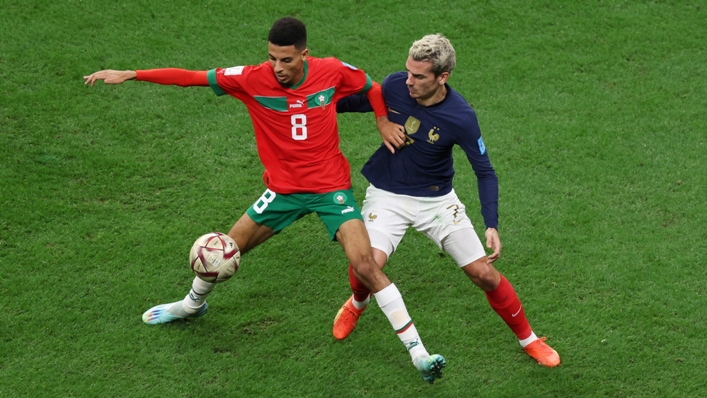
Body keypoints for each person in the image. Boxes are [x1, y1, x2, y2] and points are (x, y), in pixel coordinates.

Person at [84, 17, 447, 383]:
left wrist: (382, 121)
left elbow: (370, 86)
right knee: (219, 252)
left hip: (330, 190)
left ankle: (418, 353)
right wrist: (132, 73)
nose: (277, 68)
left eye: (286, 60)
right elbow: (192, 77)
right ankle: (191, 306)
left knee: (365, 266)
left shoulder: (331, 70)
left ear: (304, 55)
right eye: (272, 58)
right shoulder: (250, 79)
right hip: (282, 192)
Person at [331, 34, 561, 368]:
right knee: (367, 263)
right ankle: (356, 304)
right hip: (388, 195)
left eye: (419, 76)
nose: (408, 81)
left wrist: (492, 224)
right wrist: (316, 99)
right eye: (408, 72)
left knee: (484, 274)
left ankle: (530, 340)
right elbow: (349, 102)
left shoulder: (461, 116)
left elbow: (485, 172)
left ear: (442, 77)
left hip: (437, 203)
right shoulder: (397, 85)